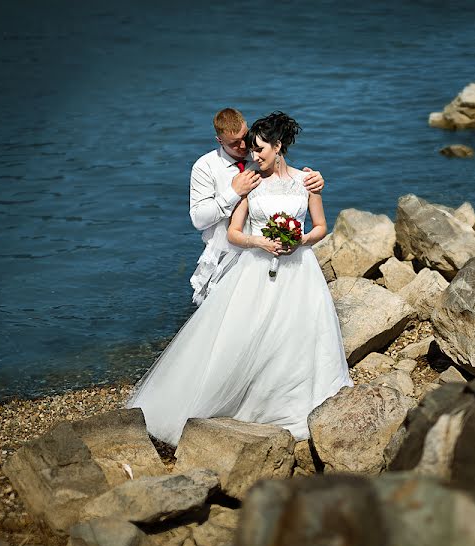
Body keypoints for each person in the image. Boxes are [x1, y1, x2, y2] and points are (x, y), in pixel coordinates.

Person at [128, 112, 352, 445]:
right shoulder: (249, 181)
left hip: (300, 271)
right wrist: (259, 241)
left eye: (260, 148)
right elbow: (233, 232)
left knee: (297, 335)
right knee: (247, 335)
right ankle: (238, 403)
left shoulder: (307, 182)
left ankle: (293, 401)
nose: (253, 154)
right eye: (250, 148)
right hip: (255, 268)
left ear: (278, 147)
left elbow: (320, 227)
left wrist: (300, 240)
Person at [188, 107, 324, 305]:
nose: (244, 147)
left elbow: (285, 177)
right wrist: (233, 193)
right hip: (227, 253)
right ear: (220, 141)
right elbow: (198, 220)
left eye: (245, 137)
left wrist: (316, 181)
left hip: (267, 256)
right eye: (235, 144)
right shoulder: (205, 167)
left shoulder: (259, 159)